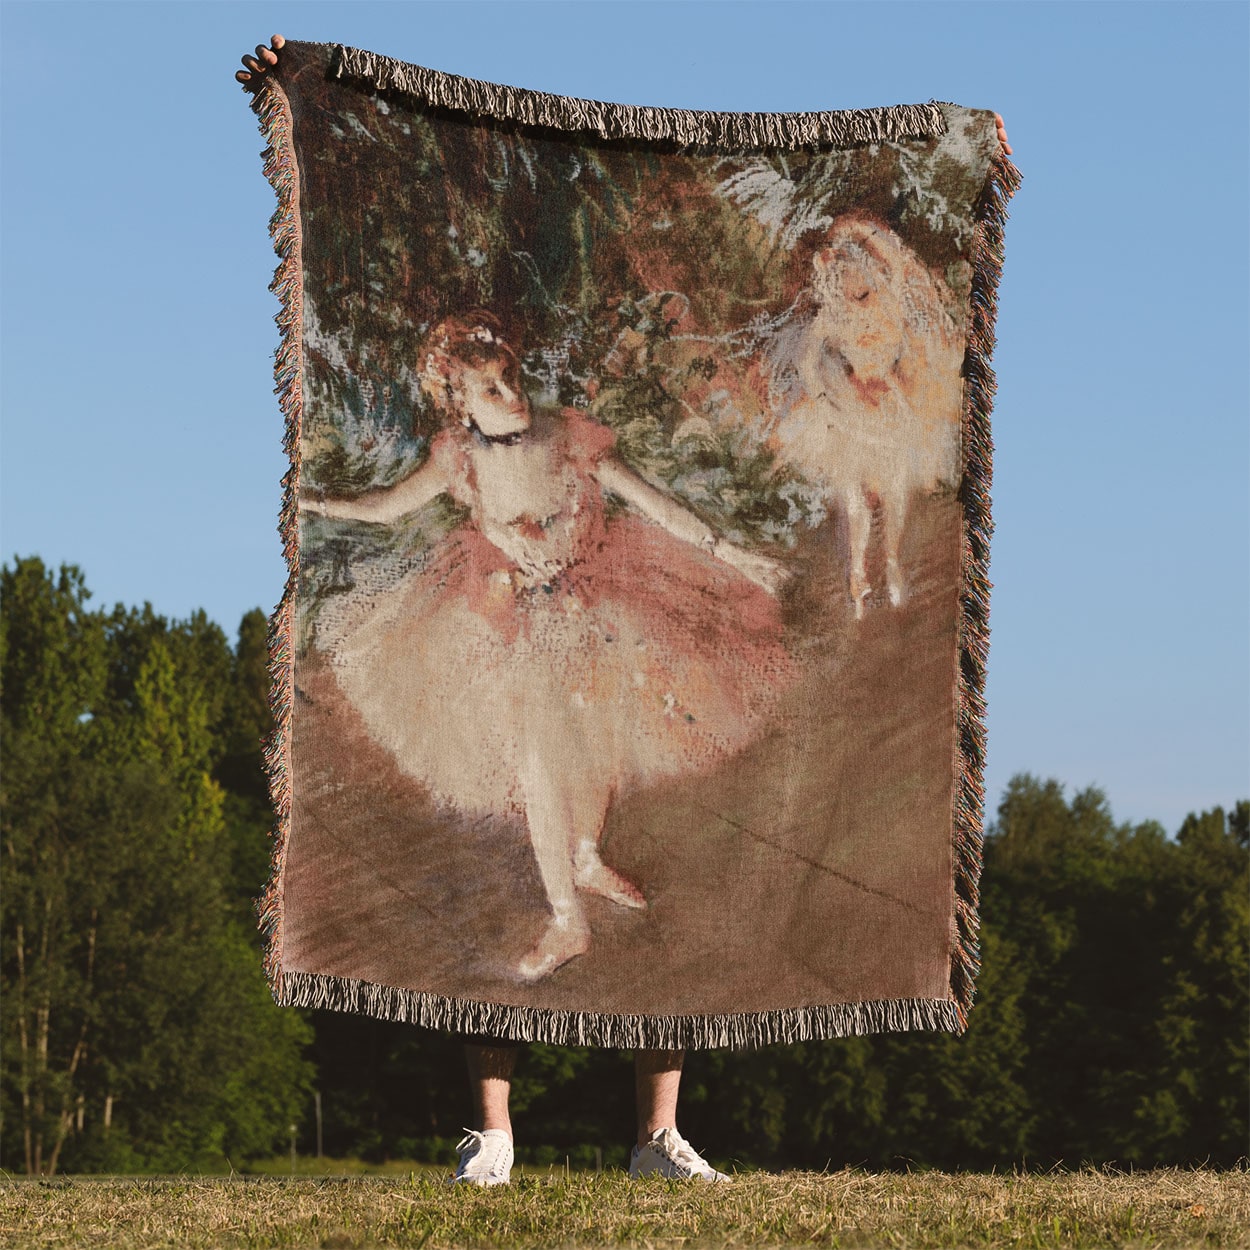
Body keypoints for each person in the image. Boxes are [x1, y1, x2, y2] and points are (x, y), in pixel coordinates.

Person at [236, 35, 1013, 1186]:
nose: (506, 391)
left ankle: (652, 1118)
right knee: (530, 781)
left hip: (602, 615)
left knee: (602, 771)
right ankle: (498, 1109)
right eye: (483, 381)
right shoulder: (454, 458)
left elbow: (659, 503)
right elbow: (378, 502)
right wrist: (312, 491)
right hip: (491, 631)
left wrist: (739, 552)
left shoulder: (568, 436)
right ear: (451, 392)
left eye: (509, 374)